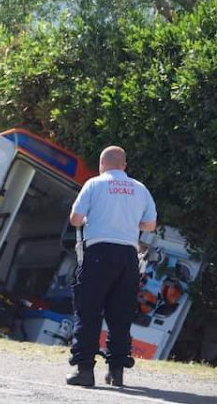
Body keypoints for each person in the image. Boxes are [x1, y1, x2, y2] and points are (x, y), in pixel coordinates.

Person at [66, 146, 157, 388]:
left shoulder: (94, 184)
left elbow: (75, 219)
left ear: (101, 164)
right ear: (124, 166)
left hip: (98, 253)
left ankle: (84, 371)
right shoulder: (140, 189)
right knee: (121, 316)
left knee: (89, 311)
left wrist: (90, 219)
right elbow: (149, 225)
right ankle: (116, 372)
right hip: (128, 256)